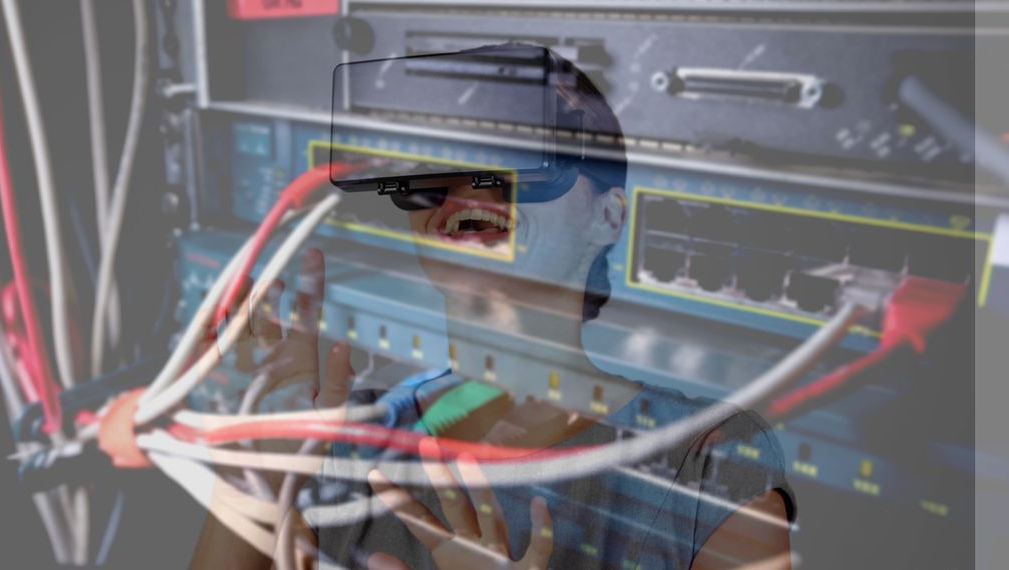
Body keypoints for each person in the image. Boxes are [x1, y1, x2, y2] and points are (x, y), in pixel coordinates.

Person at [191, 45, 794, 570]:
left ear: (609, 216)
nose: (466, 186)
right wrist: (257, 460)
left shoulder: (711, 458)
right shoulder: (338, 433)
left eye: (517, 156)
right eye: (435, 165)